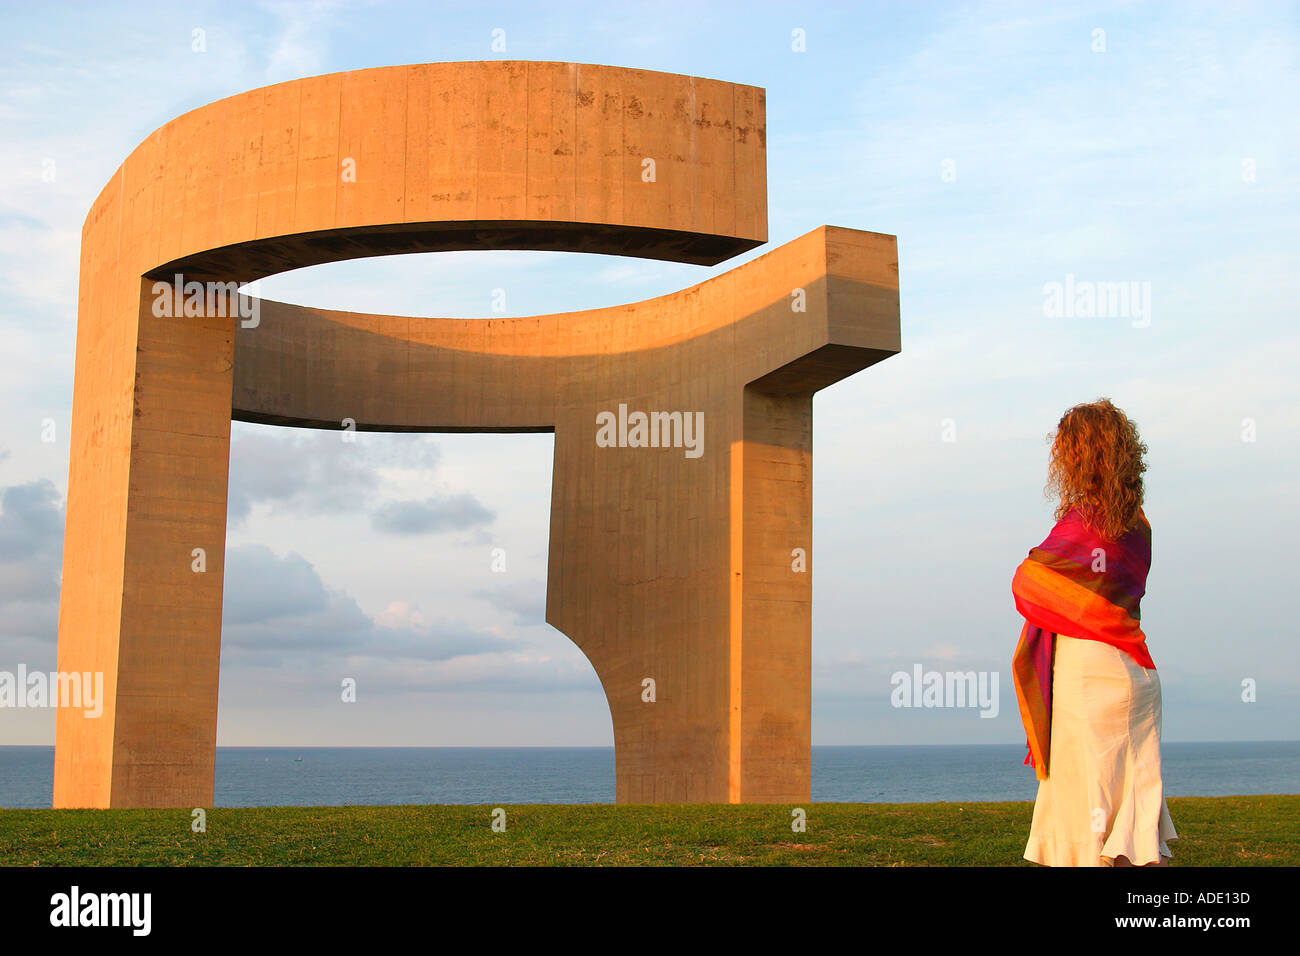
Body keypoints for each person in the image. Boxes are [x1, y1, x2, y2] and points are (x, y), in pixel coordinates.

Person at [1011, 398, 1177, 867]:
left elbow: (1028, 582)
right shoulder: (1139, 525)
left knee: (1095, 832)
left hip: (1092, 679)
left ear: (1077, 457)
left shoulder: (1085, 523)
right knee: (1131, 835)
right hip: (1135, 676)